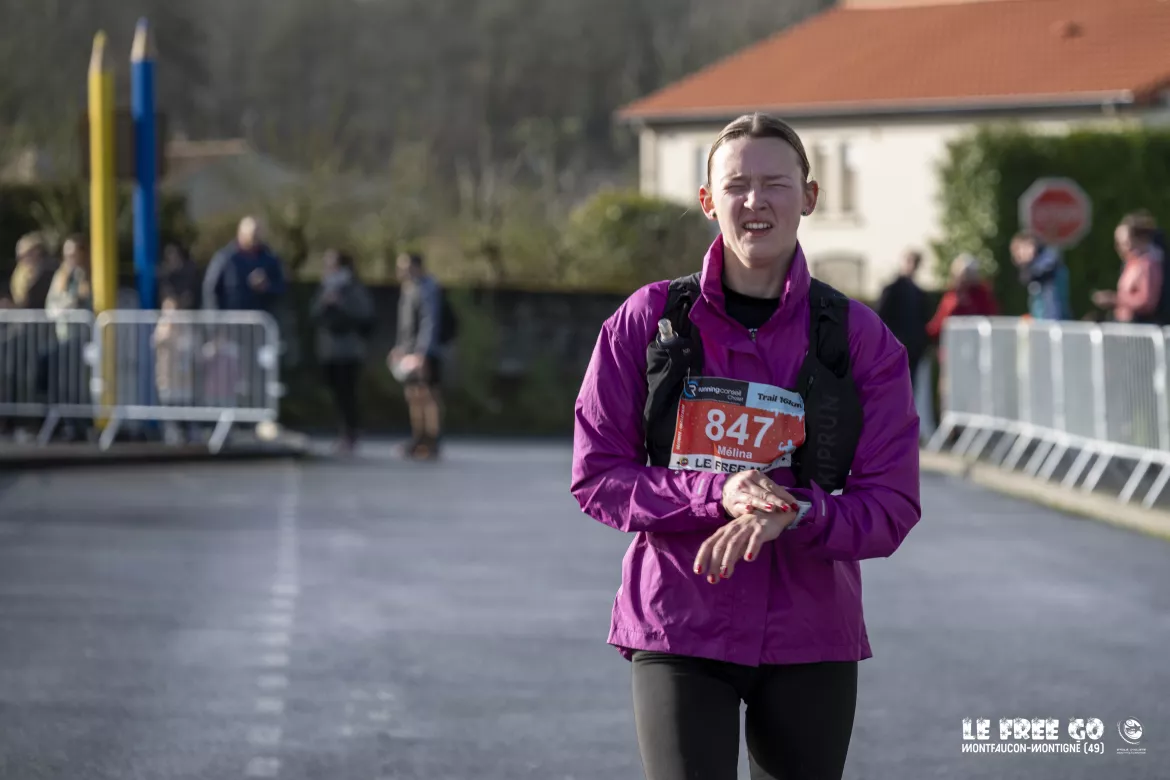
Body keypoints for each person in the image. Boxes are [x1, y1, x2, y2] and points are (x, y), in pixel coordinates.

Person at [570, 113, 922, 780]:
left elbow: (892, 504)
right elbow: (599, 477)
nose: (755, 201)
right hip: (678, 622)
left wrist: (799, 513)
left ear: (808, 197)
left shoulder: (860, 339)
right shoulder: (647, 322)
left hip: (811, 632)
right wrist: (718, 492)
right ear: (708, 200)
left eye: (775, 184)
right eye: (736, 185)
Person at [310, 249, 374, 453]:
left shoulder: (353, 288)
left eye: (333, 264)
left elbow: (365, 316)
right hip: (328, 350)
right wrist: (324, 303)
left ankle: (351, 432)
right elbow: (314, 314)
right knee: (336, 392)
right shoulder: (325, 286)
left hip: (349, 350)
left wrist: (341, 304)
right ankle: (343, 431)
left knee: (348, 392)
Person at [389, 252, 448, 460]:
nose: (401, 272)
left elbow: (429, 321)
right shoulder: (408, 289)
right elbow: (405, 324)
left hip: (425, 351)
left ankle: (432, 440)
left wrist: (423, 352)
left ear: (416, 267)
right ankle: (418, 438)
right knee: (413, 394)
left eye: (405, 267)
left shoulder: (428, 288)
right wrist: (400, 347)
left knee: (428, 394)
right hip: (409, 350)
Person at [1092, 211, 1166, 324]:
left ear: (1140, 240)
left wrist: (1115, 300)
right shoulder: (1131, 264)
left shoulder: (1148, 264)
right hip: (1124, 324)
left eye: (1125, 243)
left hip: (1139, 326)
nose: (1120, 248)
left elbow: (1147, 302)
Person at [202, 216, 287, 314]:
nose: (254, 239)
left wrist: (266, 287)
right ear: (241, 234)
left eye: (257, 235)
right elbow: (210, 289)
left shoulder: (269, 259)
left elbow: (281, 288)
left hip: (260, 319)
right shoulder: (225, 259)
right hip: (230, 319)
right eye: (252, 235)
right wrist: (215, 319)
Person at [875, 250, 929, 392]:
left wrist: (922, 345)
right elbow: (880, 318)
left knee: (910, 389)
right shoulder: (891, 290)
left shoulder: (919, 293)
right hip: (895, 350)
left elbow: (923, 322)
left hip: (913, 350)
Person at [925, 254, 999, 342]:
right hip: (953, 345)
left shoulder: (982, 295)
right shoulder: (950, 297)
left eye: (965, 275)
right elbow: (935, 328)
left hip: (976, 344)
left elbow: (992, 322)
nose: (961, 280)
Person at [1010, 232, 1072, 321]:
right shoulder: (1036, 266)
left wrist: (1026, 267)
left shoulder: (1048, 261)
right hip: (1043, 318)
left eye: (1020, 251)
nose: (1019, 256)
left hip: (1054, 318)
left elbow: (1033, 274)